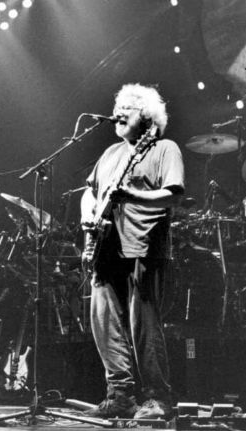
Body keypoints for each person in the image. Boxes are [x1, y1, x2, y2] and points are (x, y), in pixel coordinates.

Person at [80, 83, 184, 419]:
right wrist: (87, 216)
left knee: (144, 326)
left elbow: (173, 194)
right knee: (103, 323)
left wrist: (132, 195)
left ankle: (158, 398)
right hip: (105, 247)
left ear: (149, 117)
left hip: (144, 245)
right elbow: (89, 191)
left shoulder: (164, 148)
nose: (119, 112)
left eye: (129, 107)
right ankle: (120, 395)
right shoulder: (111, 153)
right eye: (118, 107)